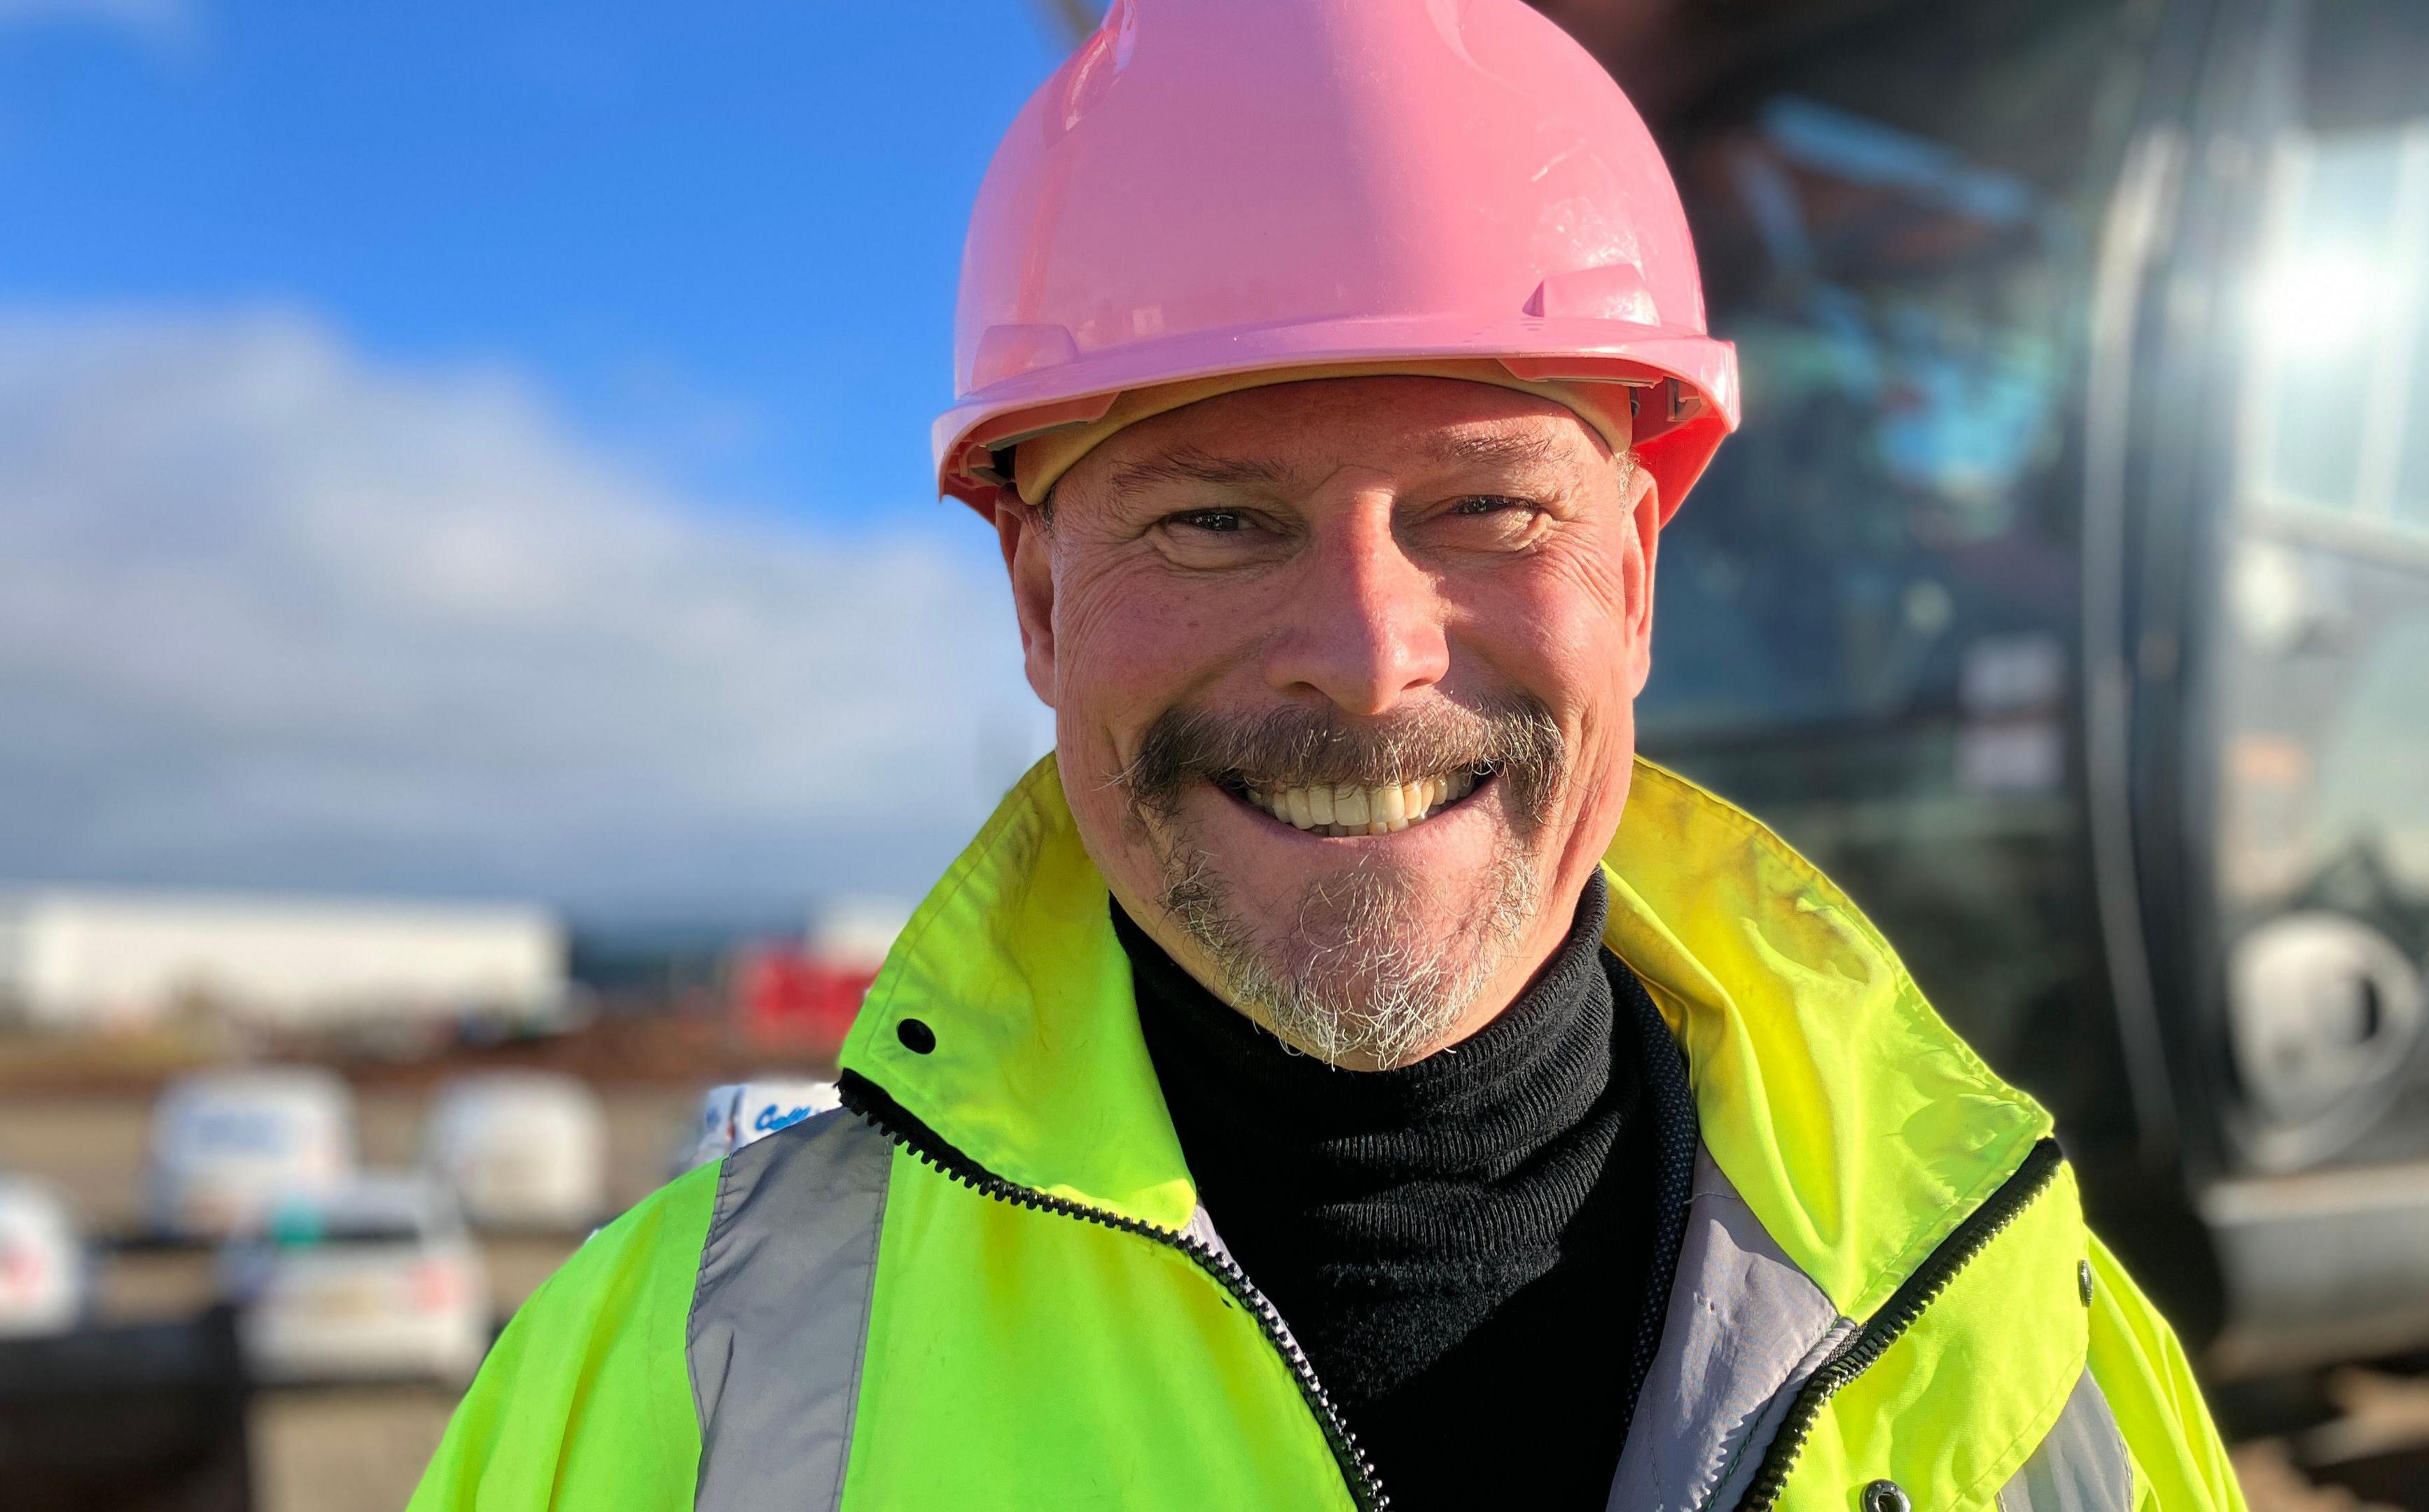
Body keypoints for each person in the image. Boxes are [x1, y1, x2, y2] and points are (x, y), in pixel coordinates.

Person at [412, 1, 2244, 1508]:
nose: (1371, 665)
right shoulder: (679, 1378)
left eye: (1487, 511)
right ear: (1039, 603)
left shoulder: (2021, 1333)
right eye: (1215, 521)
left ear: (1631, 579)